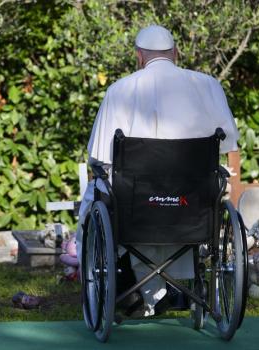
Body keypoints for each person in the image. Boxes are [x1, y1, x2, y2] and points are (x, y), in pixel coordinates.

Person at [76, 24, 239, 316]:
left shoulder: (119, 90)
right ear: (176, 53)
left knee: (95, 194)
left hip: (137, 209)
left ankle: (129, 289)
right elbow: (230, 145)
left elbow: (98, 158)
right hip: (192, 208)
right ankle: (170, 289)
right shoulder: (208, 86)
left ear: (139, 57)